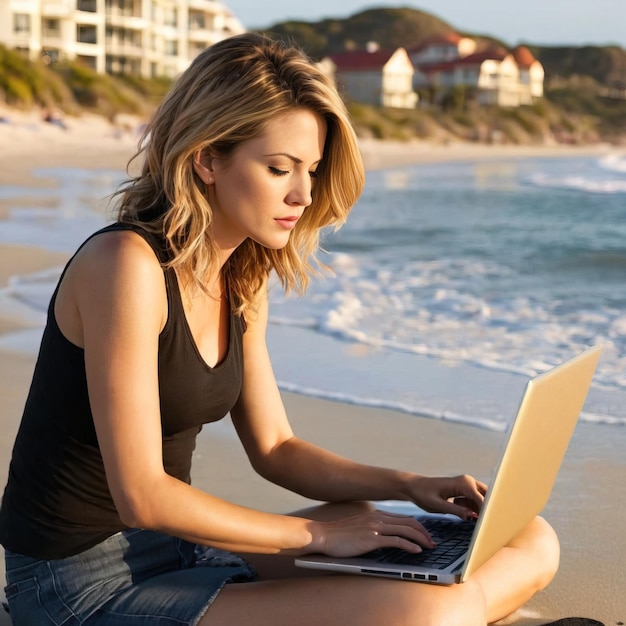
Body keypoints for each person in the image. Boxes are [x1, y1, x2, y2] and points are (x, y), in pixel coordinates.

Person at [0, 33, 561, 626]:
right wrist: (313, 537)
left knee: (528, 538)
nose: (303, 194)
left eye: (312, 170)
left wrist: (412, 484)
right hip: (78, 587)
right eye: (278, 168)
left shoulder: (241, 274)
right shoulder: (125, 266)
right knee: (424, 610)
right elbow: (142, 494)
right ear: (207, 158)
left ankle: (457, 605)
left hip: (180, 552)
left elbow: (276, 449)